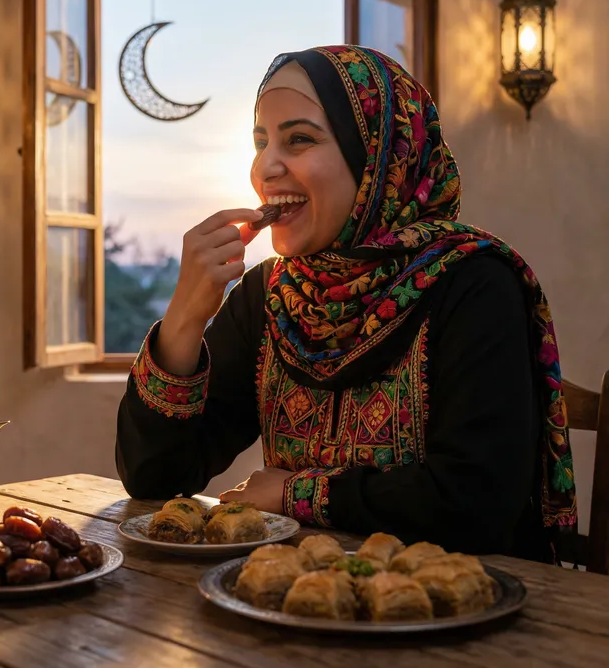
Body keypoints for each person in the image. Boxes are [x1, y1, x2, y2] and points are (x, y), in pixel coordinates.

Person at [115, 45, 577, 562]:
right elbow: (155, 478)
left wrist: (295, 494)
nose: (265, 167)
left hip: (464, 597)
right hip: (299, 593)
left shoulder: (473, 283)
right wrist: (184, 318)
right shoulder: (274, 295)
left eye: (299, 139)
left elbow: (477, 503)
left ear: (377, 157)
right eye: (261, 142)